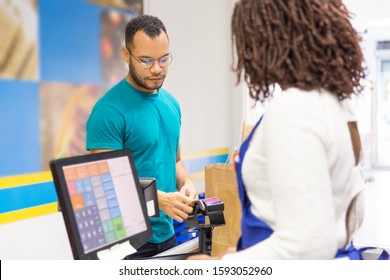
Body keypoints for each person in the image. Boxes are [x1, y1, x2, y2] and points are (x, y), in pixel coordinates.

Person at [189, 0, 388, 260]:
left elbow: (308, 246)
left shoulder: (295, 109)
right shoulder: (332, 102)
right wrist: (247, 251)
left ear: (265, 38)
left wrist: (225, 266)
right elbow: (345, 215)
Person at [86, 15, 198, 259]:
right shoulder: (108, 112)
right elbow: (106, 182)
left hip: (167, 235)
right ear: (127, 55)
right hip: (127, 244)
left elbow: (175, 160)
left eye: (164, 59)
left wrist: (186, 182)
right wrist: (159, 199)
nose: (157, 68)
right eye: (146, 60)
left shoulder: (172, 104)